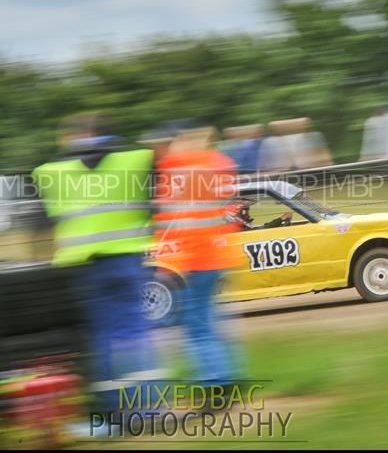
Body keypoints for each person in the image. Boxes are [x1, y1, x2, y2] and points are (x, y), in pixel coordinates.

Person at [32, 111, 161, 433]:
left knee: (101, 339)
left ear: (75, 136)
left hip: (84, 268)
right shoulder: (138, 160)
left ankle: (111, 417)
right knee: (135, 334)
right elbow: (154, 204)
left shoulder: (51, 172)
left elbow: (40, 225)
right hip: (127, 261)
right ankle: (147, 411)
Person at [153, 127, 243, 394]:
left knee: (197, 326)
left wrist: (166, 262)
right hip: (219, 255)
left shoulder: (174, 167)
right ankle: (225, 377)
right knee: (212, 321)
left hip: (194, 260)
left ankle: (214, 385)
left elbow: (171, 221)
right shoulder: (219, 163)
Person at [224, 200, 292, 230]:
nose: (248, 216)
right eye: (245, 213)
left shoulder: (238, 229)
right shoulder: (237, 231)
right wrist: (281, 219)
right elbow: (259, 231)